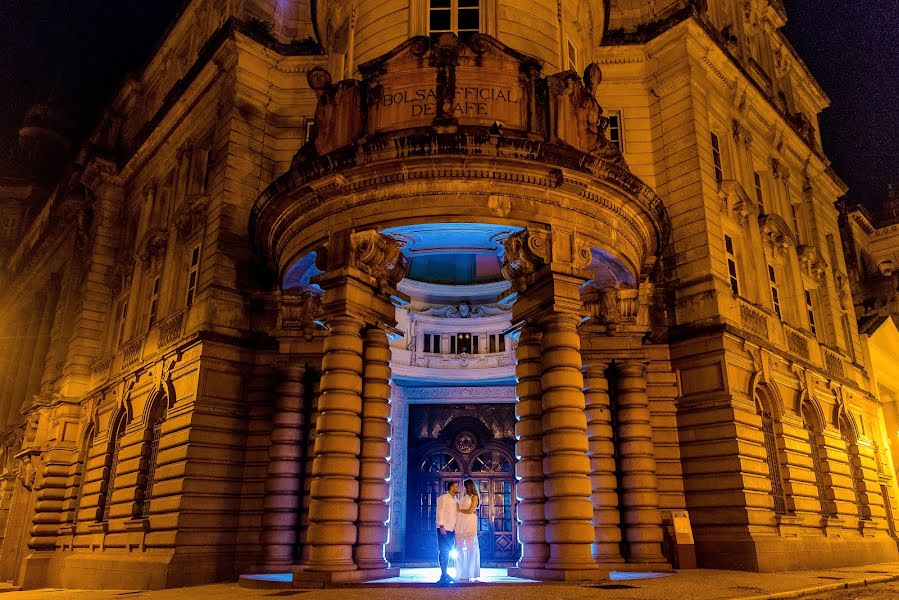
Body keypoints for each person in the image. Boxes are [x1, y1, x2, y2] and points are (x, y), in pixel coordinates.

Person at [455, 479, 481, 582]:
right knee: (459, 548)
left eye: (465, 486)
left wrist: (459, 510)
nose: (464, 488)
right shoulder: (464, 496)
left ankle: (470, 572)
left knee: (471, 549)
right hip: (461, 523)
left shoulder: (474, 497)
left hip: (469, 522)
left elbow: (471, 510)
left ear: (469, 486)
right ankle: (462, 572)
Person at [435, 480, 459, 585]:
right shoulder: (443, 498)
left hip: (452, 529)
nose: (458, 488)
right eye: (456, 486)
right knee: (443, 551)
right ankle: (443, 574)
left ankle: (445, 574)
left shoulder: (456, 500)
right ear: (451, 488)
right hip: (443, 528)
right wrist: (441, 526)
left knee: (448, 551)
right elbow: (439, 511)